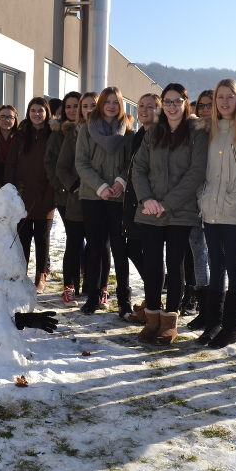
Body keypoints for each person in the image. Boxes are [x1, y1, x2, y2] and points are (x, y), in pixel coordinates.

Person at [131, 83, 209, 344]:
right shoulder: (154, 132)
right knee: (152, 265)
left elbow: (196, 173)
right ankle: (152, 318)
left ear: (186, 102)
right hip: (150, 211)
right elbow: (138, 167)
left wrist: (167, 203)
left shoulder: (197, 132)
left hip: (180, 211)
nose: (172, 106)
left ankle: (169, 322)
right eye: (168, 101)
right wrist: (147, 199)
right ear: (162, 104)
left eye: (178, 101)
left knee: (175, 266)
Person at [196, 79, 236, 348]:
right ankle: (213, 322)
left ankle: (232, 326)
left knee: (233, 265)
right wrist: (202, 196)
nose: (224, 102)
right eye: (220, 97)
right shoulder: (205, 129)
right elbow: (197, 167)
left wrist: (233, 198)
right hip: (209, 210)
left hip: (235, 212)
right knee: (215, 265)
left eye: (229, 97)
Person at [75, 86, 134, 315]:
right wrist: (100, 186)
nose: (111, 106)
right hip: (93, 195)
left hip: (118, 197)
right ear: (101, 104)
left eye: (116, 102)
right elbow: (81, 163)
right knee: (95, 248)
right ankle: (93, 297)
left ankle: (123, 300)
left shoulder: (127, 131)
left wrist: (120, 182)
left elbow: (131, 161)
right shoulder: (87, 130)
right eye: (108, 101)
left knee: (119, 249)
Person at [55, 92, 111, 307]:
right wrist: (74, 186)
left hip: (104, 199)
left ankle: (101, 288)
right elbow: (61, 166)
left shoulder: (110, 132)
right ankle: (69, 286)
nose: (88, 109)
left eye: (92, 105)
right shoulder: (73, 134)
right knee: (74, 244)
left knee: (102, 247)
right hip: (78, 200)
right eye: (84, 106)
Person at [5, 96, 55, 292]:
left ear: (46, 113)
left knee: (42, 238)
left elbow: (55, 165)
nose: (37, 114)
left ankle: (41, 275)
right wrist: (12, 189)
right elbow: (11, 164)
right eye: (33, 110)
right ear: (28, 113)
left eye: (40, 111)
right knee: (23, 237)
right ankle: (22, 274)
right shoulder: (20, 134)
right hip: (22, 195)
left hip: (45, 193)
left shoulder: (52, 135)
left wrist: (51, 192)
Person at [121, 92, 160, 321]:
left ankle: (153, 303)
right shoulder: (140, 134)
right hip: (135, 201)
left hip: (149, 203)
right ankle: (151, 299)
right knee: (137, 250)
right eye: (141, 105)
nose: (144, 110)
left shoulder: (157, 135)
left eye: (151, 106)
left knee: (147, 253)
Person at [182, 89, 216, 320]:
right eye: (201, 105)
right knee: (196, 252)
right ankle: (200, 302)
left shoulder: (228, 131)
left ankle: (216, 305)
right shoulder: (192, 131)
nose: (204, 109)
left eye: (208, 105)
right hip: (193, 199)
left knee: (217, 256)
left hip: (219, 203)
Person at [45, 91, 81, 303]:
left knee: (89, 242)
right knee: (73, 240)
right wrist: (63, 187)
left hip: (89, 194)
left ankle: (88, 282)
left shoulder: (89, 129)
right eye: (68, 106)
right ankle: (70, 284)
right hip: (65, 196)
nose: (72, 110)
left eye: (76, 106)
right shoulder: (57, 133)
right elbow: (50, 163)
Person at [0, 104, 19, 186]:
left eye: (10, 117)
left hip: (15, 181)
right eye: (3, 116)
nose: (6, 120)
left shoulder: (21, 138)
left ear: (15, 119)